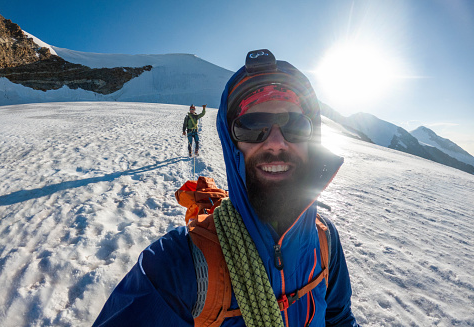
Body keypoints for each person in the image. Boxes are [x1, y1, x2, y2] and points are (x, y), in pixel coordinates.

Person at [94, 49, 359, 326]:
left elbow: (339, 318)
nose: (276, 143)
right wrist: (187, 129)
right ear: (232, 145)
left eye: (296, 126)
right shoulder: (179, 265)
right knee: (192, 140)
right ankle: (192, 147)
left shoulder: (326, 240)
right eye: (252, 127)